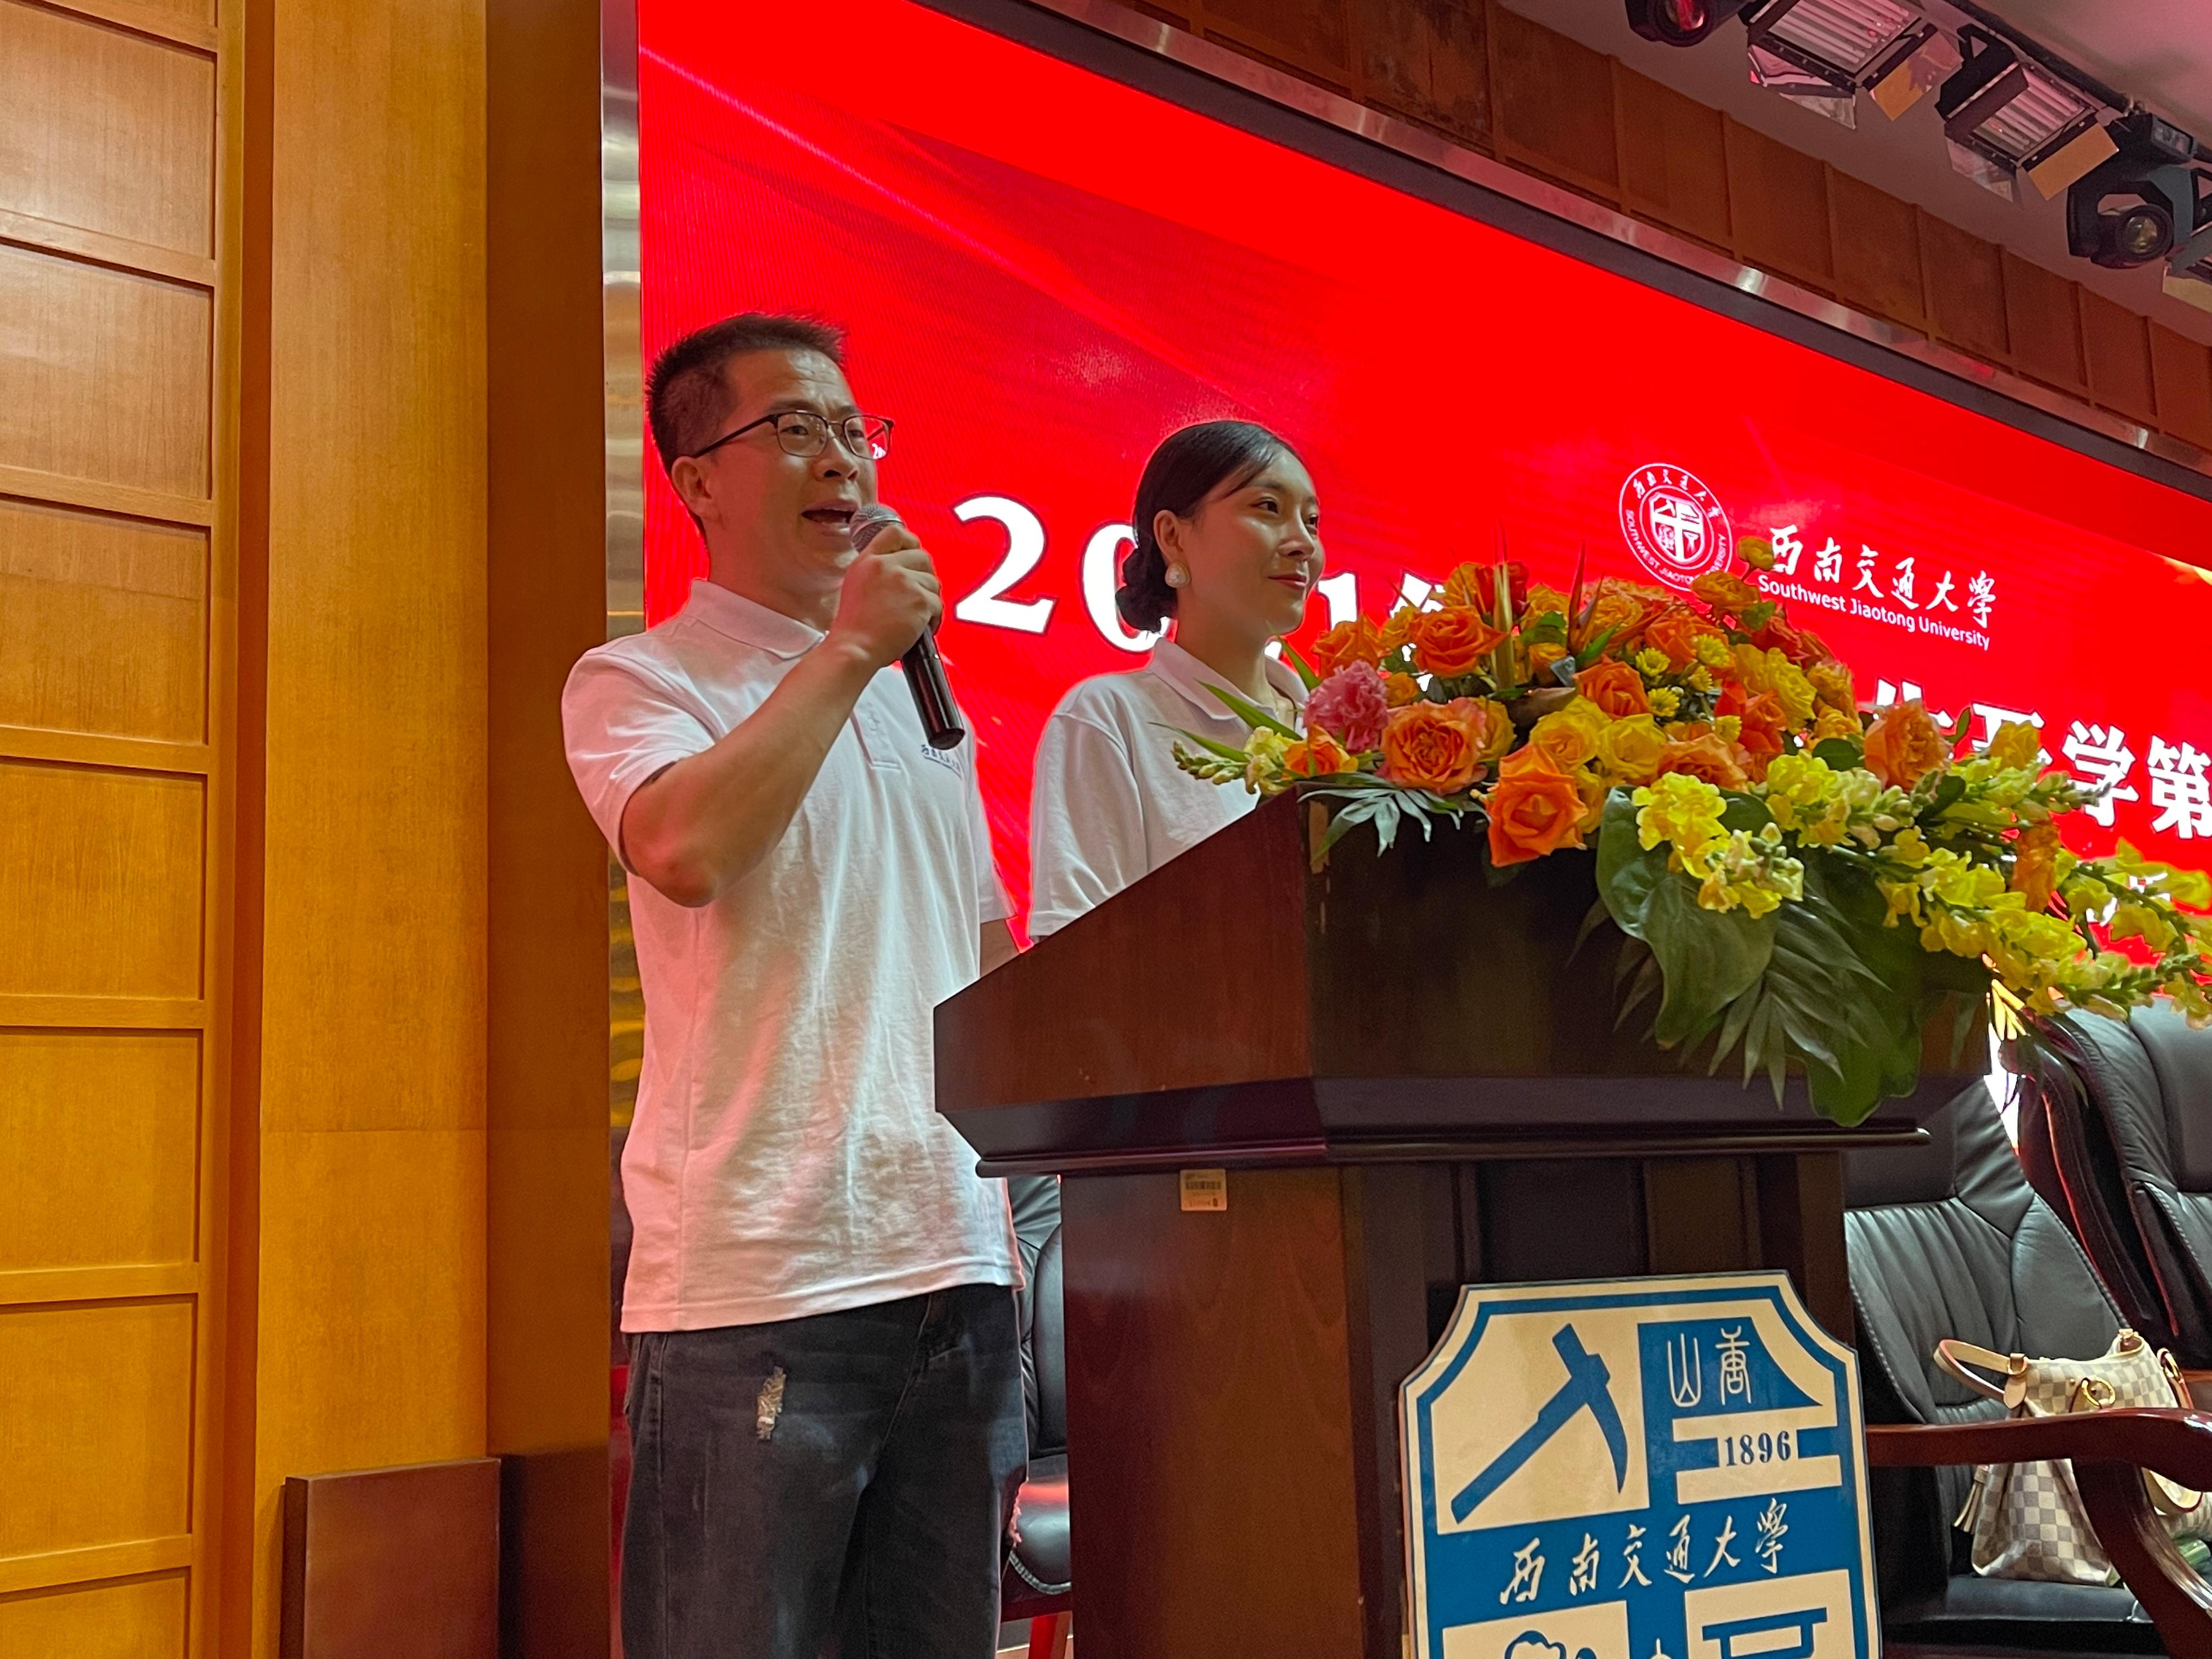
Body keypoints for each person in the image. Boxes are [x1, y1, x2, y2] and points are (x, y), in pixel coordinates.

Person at [562, 312, 1024, 1659]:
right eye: (795, 429)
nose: (843, 459)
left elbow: (985, 960)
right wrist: (846, 653)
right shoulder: (639, 678)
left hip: (954, 1261)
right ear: (697, 479)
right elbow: (684, 848)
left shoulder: (922, 698)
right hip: (759, 1284)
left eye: (854, 429)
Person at [1028, 419, 1323, 938]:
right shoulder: (1112, 718)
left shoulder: (1340, 734)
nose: (1303, 544)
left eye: (1313, 522)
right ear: (1172, 536)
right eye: (1268, 507)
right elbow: (1077, 948)